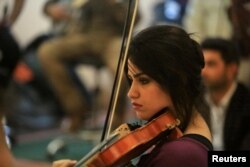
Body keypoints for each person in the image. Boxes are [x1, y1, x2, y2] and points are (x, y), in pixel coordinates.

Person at [51, 25, 213, 167]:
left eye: (144, 80)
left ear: (178, 79)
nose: (131, 93)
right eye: (131, 80)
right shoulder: (179, 132)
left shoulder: (179, 155)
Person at [38, 0, 127, 132]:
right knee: (46, 52)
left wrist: (113, 3)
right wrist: (50, 8)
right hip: (81, 35)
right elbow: (49, 5)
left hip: (110, 37)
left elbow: (135, 18)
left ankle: (117, 115)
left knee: (121, 68)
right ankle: (76, 110)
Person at [201, 38, 250, 150]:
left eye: (211, 64)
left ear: (231, 69)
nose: (203, 71)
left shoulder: (246, 103)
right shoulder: (195, 99)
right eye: (202, 64)